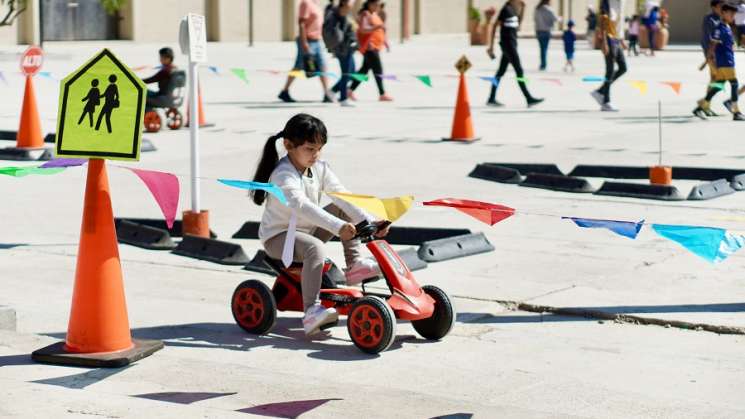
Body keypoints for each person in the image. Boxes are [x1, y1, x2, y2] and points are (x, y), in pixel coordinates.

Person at [252, 113, 390, 335]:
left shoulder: (319, 167)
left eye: (319, 148)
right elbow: (301, 205)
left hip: (307, 230)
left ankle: (354, 266)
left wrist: (370, 221)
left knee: (342, 207)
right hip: (279, 237)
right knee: (314, 248)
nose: (315, 155)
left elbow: (342, 195)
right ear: (288, 145)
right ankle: (311, 311)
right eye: (309, 149)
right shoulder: (282, 175)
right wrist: (338, 227)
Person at [486, 0, 543, 107]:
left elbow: (518, 26)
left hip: (511, 44)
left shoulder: (512, 10)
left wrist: (523, 9)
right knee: (519, 70)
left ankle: (491, 98)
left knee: (500, 72)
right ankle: (528, 98)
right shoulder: (506, 9)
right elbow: (494, 26)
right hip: (508, 45)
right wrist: (491, 47)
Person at [694, 2, 745, 121]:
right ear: (723, 13)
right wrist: (710, 56)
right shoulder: (720, 28)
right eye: (730, 13)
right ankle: (736, 111)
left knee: (718, 86)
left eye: (734, 13)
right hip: (725, 61)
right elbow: (713, 43)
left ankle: (700, 107)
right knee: (734, 84)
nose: (733, 15)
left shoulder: (727, 27)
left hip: (728, 60)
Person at [279, 0, 334, 103]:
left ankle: (327, 93)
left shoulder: (316, 4)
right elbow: (302, 23)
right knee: (298, 66)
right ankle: (284, 91)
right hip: (308, 41)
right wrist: (304, 43)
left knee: (323, 66)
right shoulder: (305, 3)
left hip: (317, 40)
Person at [349, 0, 393, 101]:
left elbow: (380, 30)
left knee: (364, 70)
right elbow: (363, 29)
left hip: (375, 46)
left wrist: (385, 42)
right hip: (370, 47)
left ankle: (349, 90)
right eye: (376, 4)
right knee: (378, 70)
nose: (378, 6)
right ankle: (382, 93)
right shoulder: (366, 14)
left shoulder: (374, 14)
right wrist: (377, 27)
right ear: (370, 4)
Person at [590, 0, 627, 112]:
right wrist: (604, 42)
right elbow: (603, 21)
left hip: (616, 39)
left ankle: (600, 91)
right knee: (609, 70)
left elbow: (618, 22)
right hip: (609, 40)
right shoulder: (606, 2)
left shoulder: (620, 2)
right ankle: (606, 102)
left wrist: (621, 39)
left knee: (623, 68)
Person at [325, 0, 358, 106]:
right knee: (346, 73)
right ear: (343, 4)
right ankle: (343, 99)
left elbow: (350, 29)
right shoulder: (334, 15)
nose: (352, 5)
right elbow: (333, 35)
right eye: (350, 3)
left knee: (351, 73)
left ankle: (333, 90)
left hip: (348, 48)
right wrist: (334, 48)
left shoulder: (346, 13)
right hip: (342, 49)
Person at [698, 0, 723, 117]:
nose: (722, 8)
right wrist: (709, 55)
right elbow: (707, 39)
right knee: (716, 79)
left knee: (714, 79)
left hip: (720, 54)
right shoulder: (709, 19)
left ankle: (705, 104)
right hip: (712, 54)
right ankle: (704, 104)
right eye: (720, 6)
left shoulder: (721, 19)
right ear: (714, 7)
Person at [534, 0, 559, 71]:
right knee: (544, 49)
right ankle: (543, 64)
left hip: (538, 30)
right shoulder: (549, 10)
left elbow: (535, 19)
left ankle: (542, 64)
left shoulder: (537, 9)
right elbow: (555, 19)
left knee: (542, 48)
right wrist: (560, 18)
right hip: (546, 31)